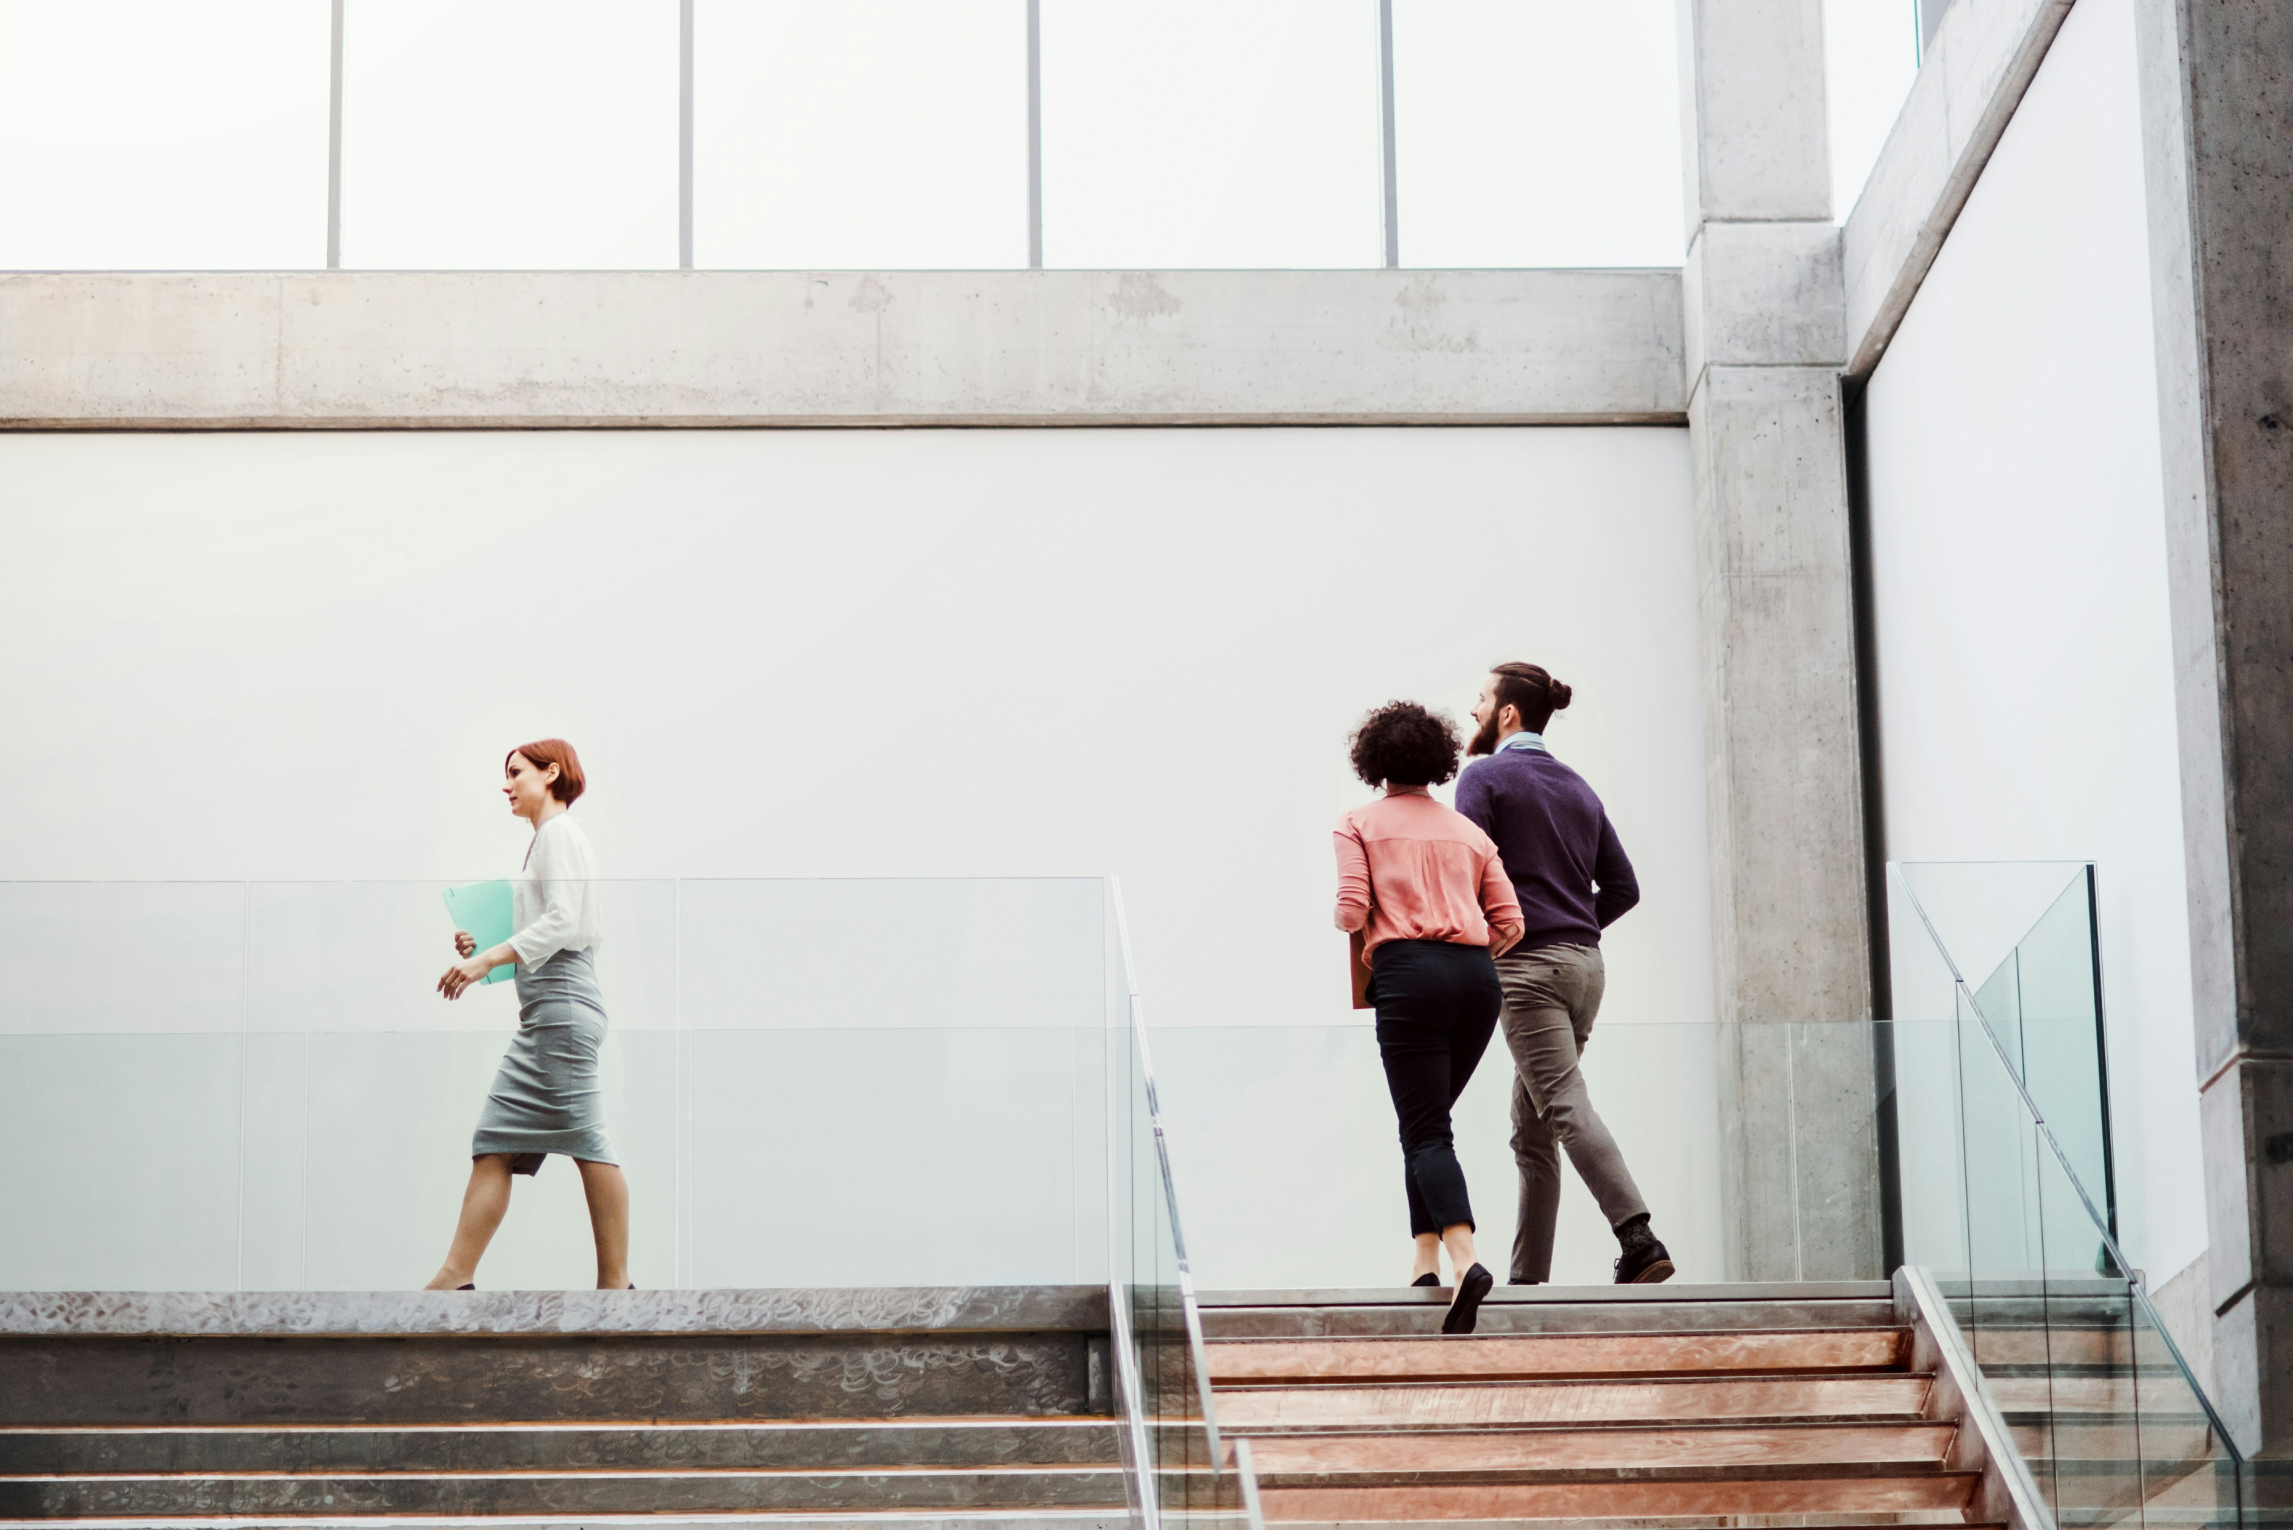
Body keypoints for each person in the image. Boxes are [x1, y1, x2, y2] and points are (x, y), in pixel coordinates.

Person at [1457, 663, 1673, 1285]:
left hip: (1527, 971)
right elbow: (1624, 888)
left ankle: (1638, 1236)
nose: (1473, 710)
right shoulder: (1579, 788)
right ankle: (1530, 1282)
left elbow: (1467, 876)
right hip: (1585, 968)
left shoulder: (1484, 778)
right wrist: (1573, 922)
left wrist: (1518, 933)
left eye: (1481, 698)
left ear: (1507, 714)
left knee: (1565, 1105)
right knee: (1532, 1130)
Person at [1335, 701, 1525, 1333]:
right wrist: (1467, 948)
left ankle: (1465, 1258)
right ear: (1438, 760)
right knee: (1426, 1121)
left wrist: (1369, 929)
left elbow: (1350, 907)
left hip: (1408, 976)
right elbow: (1511, 923)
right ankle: (1425, 1263)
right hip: (1476, 980)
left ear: (1373, 762)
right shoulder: (1471, 833)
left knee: (1425, 1131)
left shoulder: (1357, 823)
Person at [426, 738, 631, 1291]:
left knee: (580, 1138)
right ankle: (460, 1277)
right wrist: (485, 946)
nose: (506, 784)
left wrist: (490, 956)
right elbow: (552, 932)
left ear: (551, 772)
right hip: (553, 1006)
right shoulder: (550, 841)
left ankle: (613, 1287)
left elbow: (564, 924)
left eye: (516, 772)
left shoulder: (559, 835)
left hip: (560, 1008)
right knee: (502, 1138)